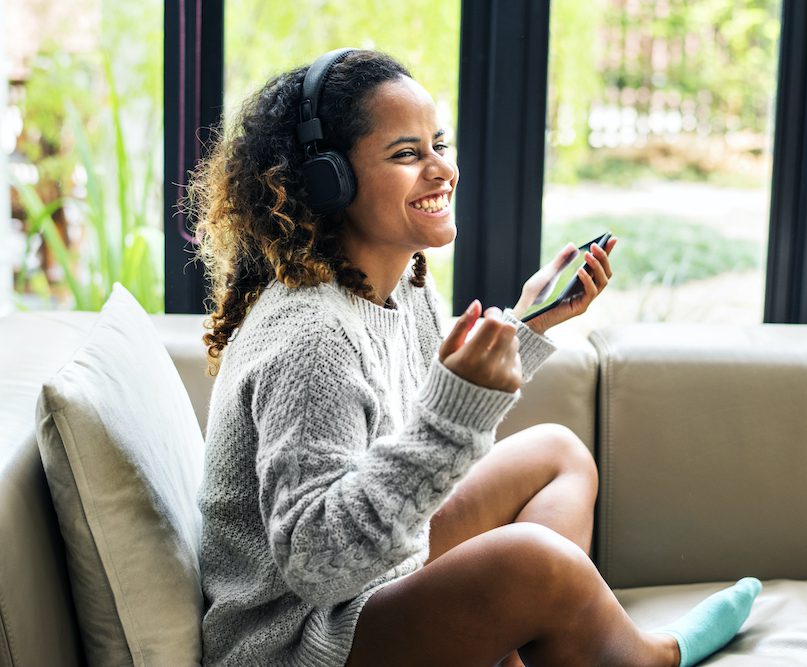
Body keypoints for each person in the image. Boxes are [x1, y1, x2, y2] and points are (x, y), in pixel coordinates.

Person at [189, 47, 761, 667]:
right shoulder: (312, 339)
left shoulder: (403, 286)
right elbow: (318, 566)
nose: (442, 170)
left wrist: (527, 324)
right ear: (330, 180)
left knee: (558, 452)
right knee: (535, 561)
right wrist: (454, 420)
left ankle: (520, 646)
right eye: (407, 154)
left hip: (373, 584)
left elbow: (414, 457)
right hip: (303, 641)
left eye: (440, 144)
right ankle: (651, 656)